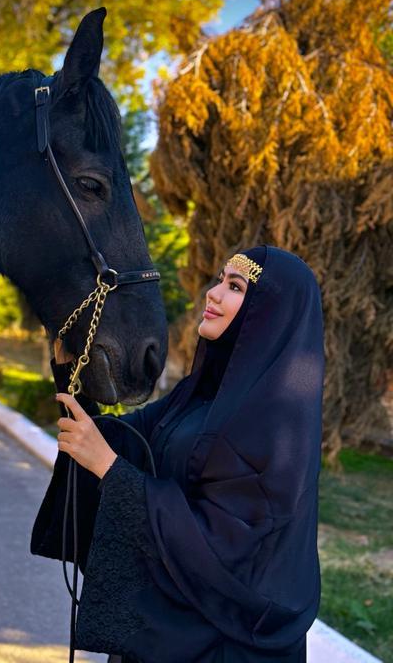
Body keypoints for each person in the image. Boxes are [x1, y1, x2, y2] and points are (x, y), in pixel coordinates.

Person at [31, 244, 325, 663]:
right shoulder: (201, 394)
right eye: (220, 280)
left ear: (270, 315)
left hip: (223, 643)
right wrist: (69, 376)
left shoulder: (275, 422)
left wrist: (110, 470)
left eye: (235, 287)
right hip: (170, 625)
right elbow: (125, 440)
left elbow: (226, 546)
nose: (213, 294)